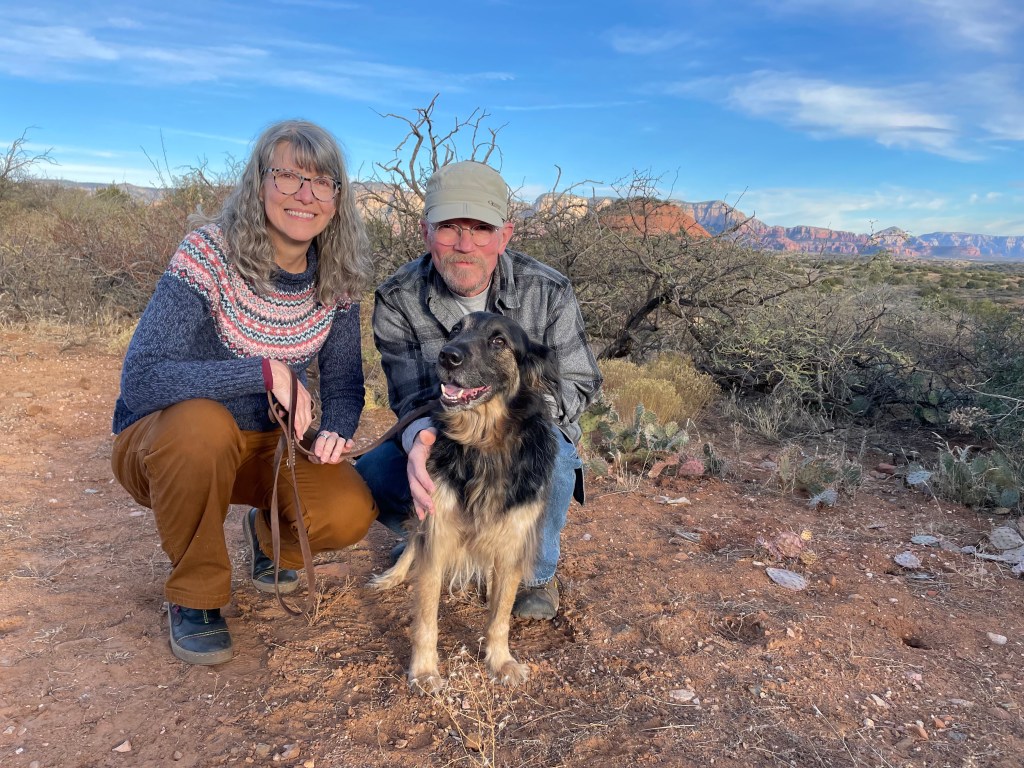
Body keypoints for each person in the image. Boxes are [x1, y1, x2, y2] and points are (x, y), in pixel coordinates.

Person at [111, 119, 376, 666]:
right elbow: (142, 378)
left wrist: (336, 430)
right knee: (200, 426)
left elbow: (346, 382)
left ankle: (265, 533)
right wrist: (266, 372)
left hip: (268, 446)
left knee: (348, 509)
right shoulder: (208, 254)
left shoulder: (338, 276)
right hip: (169, 446)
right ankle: (195, 595)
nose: (305, 196)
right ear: (259, 183)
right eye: (288, 177)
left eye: (323, 182)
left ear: (338, 200)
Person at [355, 160, 602, 620]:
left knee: (555, 460)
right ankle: (438, 544)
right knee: (377, 473)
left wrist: (514, 416)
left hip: (525, 426)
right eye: (449, 228)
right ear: (425, 232)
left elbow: (581, 380)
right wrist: (420, 443)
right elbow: (410, 397)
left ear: (504, 235)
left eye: (481, 230)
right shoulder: (397, 296)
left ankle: (533, 575)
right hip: (445, 428)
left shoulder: (548, 290)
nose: (465, 245)